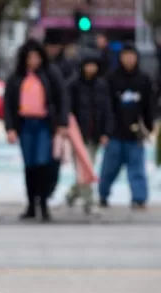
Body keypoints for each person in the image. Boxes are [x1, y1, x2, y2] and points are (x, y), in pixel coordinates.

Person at [4, 39, 69, 222]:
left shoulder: (51, 74)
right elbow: (8, 105)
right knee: (29, 165)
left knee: (44, 163)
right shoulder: (16, 77)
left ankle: (44, 203)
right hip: (25, 124)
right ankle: (32, 204)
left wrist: (62, 122)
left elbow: (62, 97)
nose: (33, 61)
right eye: (29, 57)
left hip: (44, 124)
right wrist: (9, 128)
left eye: (36, 57)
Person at [101, 43, 154, 210]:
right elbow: (105, 106)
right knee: (109, 168)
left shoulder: (144, 80)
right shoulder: (111, 79)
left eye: (132, 55)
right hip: (115, 132)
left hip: (135, 133)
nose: (129, 59)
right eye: (126, 55)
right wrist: (106, 129)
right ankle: (103, 195)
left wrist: (148, 126)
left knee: (137, 169)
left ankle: (139, 198)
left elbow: (149, 106)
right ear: (120, 57)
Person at [66, 54, 113, 214]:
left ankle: (72, 194)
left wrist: (106, 132)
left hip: (95, 135)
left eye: (94, 65)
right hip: (78, 135)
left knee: (88, 169)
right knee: (84, 170)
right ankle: (89, 202)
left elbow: (107, 110)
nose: (91, 68)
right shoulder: (73, 85)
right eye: (88, 65)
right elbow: (68, 110)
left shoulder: (101, 85)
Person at [42, 32, 76, 200]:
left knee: (56, 158)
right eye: (49, 46)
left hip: (59, 120)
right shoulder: (38, 65)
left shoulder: (67, 66)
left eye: (55, 46)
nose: (52, 49)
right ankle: (39, 193)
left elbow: (67, 95)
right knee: (38, 160)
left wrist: (64, 119)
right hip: (39, 118)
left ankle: (49, 189)